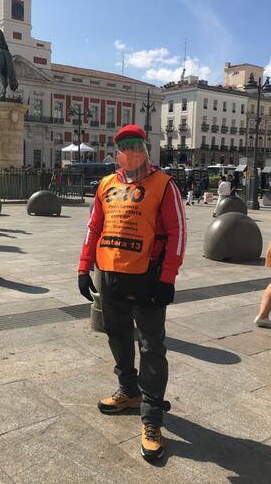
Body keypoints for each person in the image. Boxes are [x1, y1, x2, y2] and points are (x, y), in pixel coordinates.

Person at [78, 124, 186, 461]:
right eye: (123, 147)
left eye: (135, 145)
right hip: (110, 276)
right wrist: (84, 267)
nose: (130, 152)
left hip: (148, 279)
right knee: (118, 336)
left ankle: (152, 417)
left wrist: (167, 278)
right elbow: (94, 226)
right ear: (116, 153)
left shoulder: (163, 185)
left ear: (146, 148)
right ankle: (128, 390)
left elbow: (178, 231)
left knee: (152, 346)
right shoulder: (106, 185)